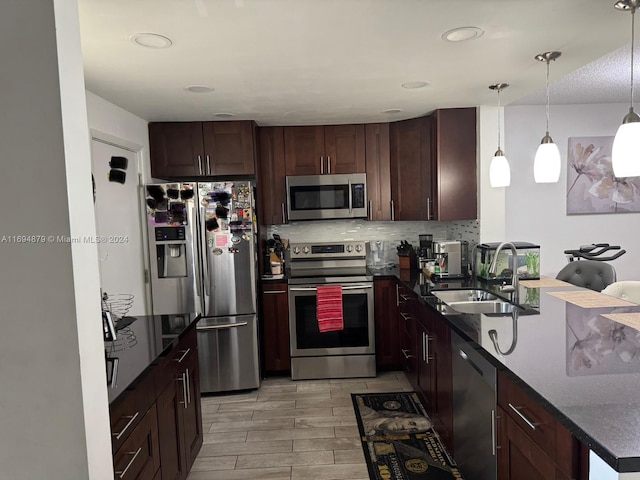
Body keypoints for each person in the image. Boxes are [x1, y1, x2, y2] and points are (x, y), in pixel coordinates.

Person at [359, 404, 432, 436]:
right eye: (411, 423)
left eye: (413, 430)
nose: (406, 428)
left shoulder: (374, 438)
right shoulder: (365, 412)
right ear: (399, 416)